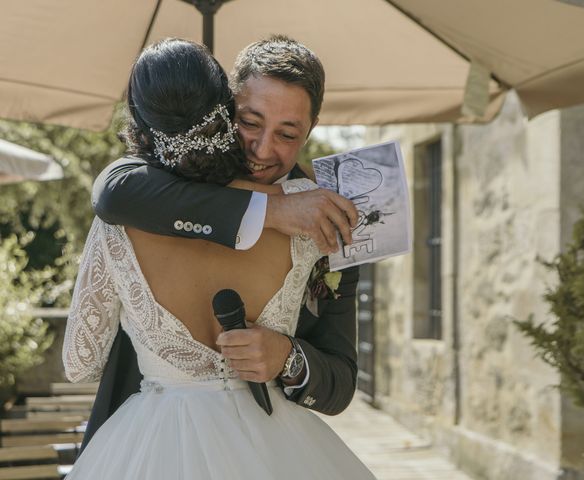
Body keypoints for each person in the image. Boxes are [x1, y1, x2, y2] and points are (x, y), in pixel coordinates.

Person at [63, 37, 375, 479]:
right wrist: (273, 208)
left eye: (287, 134)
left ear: (312, 128)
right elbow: (112, 191)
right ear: (226, 109)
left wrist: (287, 358)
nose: (264, 151)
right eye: (250, 122)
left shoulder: (330, 217)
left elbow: (339, 384)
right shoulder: (156, 189)